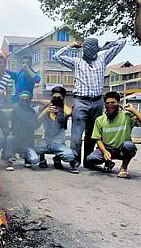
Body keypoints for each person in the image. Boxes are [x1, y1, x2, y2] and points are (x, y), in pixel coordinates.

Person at [53, 37, 126, 173]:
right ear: (83, 49)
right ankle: (74, 162)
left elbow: (122, 42)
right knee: (76, 135)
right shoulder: (76, 62)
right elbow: (57, 56)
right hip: (81, 101)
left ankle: (88, 162)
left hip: (97, 102)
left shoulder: (102, 59)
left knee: (92, 135)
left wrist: (102, 48)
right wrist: (71, 45)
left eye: (93, 48)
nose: (90, 50)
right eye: (87, 48)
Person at [86, 91, 141, 178]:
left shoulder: (126, 116)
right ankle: (108, 163)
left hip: (122, 150)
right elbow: (98, 139)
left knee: (129, 146)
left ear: (118, 103)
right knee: (91, 159)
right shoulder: (100, 120)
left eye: (113, 102)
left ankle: (124, 168)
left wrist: (133, 110)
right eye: (107, 103)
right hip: (107, 150)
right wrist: (105, 152)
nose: (110, 105)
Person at [34, 86, 76, 172]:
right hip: (46, 141)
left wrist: (62, 102)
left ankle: (57, 159)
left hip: (59, 143)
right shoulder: (47, 107)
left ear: (63, 98)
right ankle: (42, 159)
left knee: (70, 156)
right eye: (54, 97)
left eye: (59, 97)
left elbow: (69, 112)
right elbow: (37, 121)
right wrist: (46, 110)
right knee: (37, 148)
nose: (56, 99)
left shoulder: (65, 109)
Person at [3, 91, 41, 171]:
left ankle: (26, 157)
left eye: (27, 100)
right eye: (22, 100)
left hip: (27, 143)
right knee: (10, 139)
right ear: (19, 100)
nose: (24, 102)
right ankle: (9, 160)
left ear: (30, 101)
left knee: (35, 159)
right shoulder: (15, 111)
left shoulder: (32, 111)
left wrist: (35, 101)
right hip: (16, 141)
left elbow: (35, 125)